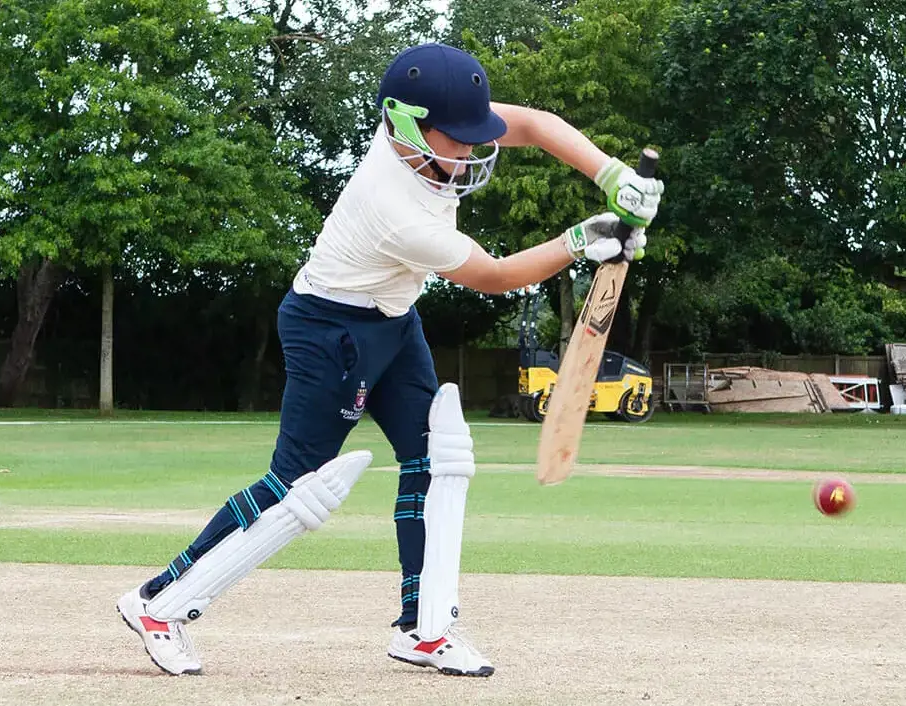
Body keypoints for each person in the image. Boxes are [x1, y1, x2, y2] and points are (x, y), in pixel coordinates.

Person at [116, 42, 663, 678]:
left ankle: (422, 629)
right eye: (454, 141)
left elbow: (536, 125)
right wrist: (582, 240)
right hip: (331, 329)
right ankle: (159, 602)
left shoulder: (435, 130)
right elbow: (493, 276)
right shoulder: (392, 205)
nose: (466, 154)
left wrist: (612, 174)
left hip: (394, 321)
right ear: (403, 124)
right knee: (297, 485)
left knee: (435, 459)